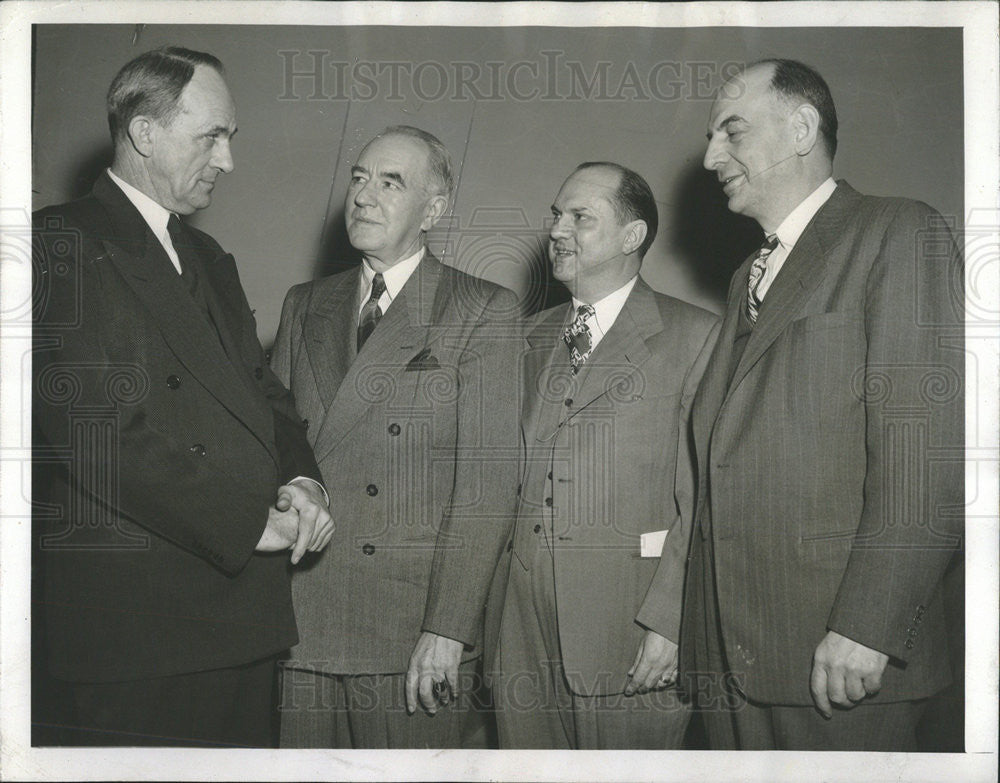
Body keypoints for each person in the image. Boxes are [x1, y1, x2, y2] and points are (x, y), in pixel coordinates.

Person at [31, 46, 332, 747]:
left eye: (231, 139)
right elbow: (94, 432)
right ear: (144, 134)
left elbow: (262, 391)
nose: (227, 161)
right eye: (212, 138)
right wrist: (250, 522)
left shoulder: (208, 257)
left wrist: (302, 477)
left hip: (243, 618)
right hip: (142, 632)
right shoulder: (58, 244)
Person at [680, 58, 964, 750]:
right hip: (731, 663)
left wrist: (869, 624)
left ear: (801, 128)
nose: (712, 155)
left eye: (733, 131)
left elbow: (927, 451)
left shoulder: (899, 232)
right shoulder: (748, 273)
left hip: (838, 664)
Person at [273, 125, 520, 748]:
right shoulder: (305, 304)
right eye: (358, 178)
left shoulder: (481, 308)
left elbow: (487, 486)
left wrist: (449, 628)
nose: (363, 195)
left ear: (434, 210)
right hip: (301, 618)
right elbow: (272, 444)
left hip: (410, 633)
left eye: (391, 182)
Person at [484, 162, 719, 749]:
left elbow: (705, 502)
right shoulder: (525, 335)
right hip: (518, 630)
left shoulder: (696, 337)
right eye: (556, 215)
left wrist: (670, 623)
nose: (558, 230)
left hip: (629, 630)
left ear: (632, 236)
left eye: (581, 217)